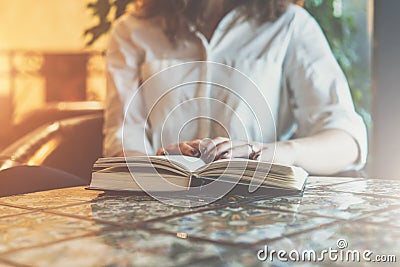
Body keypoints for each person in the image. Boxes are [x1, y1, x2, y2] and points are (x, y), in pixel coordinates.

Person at [103, 0, 367, 175]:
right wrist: (158, 166)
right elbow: (124, 136)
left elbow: (347, 140)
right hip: (163, 214)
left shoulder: (290, 25)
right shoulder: (130, 31)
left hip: (263, 218)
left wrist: (275, 153)